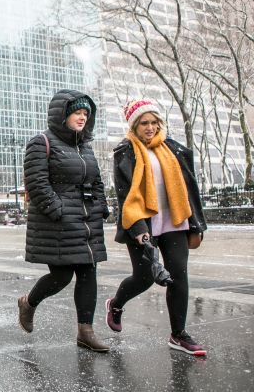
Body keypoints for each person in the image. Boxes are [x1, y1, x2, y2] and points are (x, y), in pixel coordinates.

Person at [105, 99, 208, 356]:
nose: (150, 128)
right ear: (134, 126)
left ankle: (178, 334)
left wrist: (196, 224)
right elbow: (125, 194)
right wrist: (138, 227)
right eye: (144, 123)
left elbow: (189, 189)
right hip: (142, 222)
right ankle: (116, 304)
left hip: (175, 221)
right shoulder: (125, 152)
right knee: (145, 277)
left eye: (154, 122)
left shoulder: (173, 149)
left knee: (178, 274)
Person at [18, 90, 110, 352]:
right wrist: (58, 210)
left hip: (87, 221)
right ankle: (28, 303)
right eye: (77, 113)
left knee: (88, 271)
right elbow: (37, 183)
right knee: (61, 275)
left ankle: (85, 331)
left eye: (85, 114)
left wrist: (101, 206)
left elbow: (97, 181)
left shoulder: (85, 147)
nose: (82, 118)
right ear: (62, 115)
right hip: (57, 223)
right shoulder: (41, 142)